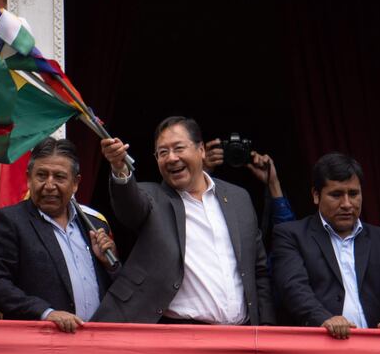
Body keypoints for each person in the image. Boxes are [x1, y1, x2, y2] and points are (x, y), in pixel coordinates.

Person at [93, 116, 275, 325]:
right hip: (181, 335)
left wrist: (267, 329)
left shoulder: (238, 198)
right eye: (162, 152)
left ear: (201, 150)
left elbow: (259, 271)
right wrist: (119, 168)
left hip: (241, 335)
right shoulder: (151, 198)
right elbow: (128, 206)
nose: (171, 158)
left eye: (178, 148)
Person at [0, 137, 118, 332]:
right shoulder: (9, 221)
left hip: (96, 343)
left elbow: (120, 289)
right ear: (29, 178)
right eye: (42, 176)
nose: (49, 185)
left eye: (59, 177)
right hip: (40, 344)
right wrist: (46, 313)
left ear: (76, 183)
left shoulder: (94, 224)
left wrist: (109, 265)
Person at [271, 153, 380, 339]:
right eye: (336, 195)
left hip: (378, 348)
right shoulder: (291, 235)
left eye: (353, 194)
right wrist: (323, 319)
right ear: (316, 195)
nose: (347, 204)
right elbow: (293, 287)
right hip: (319, 347)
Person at [204, 138, 295, 225]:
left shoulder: (259, 177)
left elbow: (287, 232)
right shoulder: (209, 178)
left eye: (241, 147)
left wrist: (273, 183)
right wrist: (203, 172)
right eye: (229, 148)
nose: (235, 153)